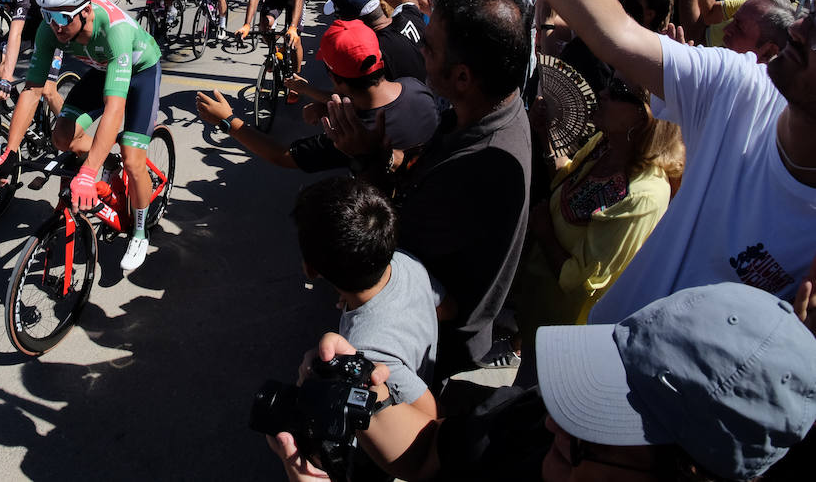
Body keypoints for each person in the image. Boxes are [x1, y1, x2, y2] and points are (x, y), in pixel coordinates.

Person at [461, 0, 816, 325]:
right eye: (811, 18)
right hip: (603, 359)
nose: (802, 30)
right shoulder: (739, 88)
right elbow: (617, 33)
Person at [269, 283, 816, 482]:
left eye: (599, 430)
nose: (557, 417)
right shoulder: (541, 423)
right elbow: (434, 455)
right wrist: (364, 392)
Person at [336, 0, 532, 375]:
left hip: (428, 348)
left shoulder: (480, 165)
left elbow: (387, 248)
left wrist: (364, 162)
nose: (418, 50)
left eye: (428, 47)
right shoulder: (488, 109)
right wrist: (384, 156)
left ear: (462, 77)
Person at [0, 0, 163, 272]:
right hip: (104, 68)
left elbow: (114, 108)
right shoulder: (49, 28)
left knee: (134, 161)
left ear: (87, 10)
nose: (55, 26)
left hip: (141, 72)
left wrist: (87, 172)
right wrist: (10, 152)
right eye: (48, 16)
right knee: (62, 136)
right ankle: (106, 161)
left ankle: (139, 231)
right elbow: (32, 90)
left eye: (64, 17)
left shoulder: (114, 31)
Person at [515, 77, 680, 339]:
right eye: (609, 83)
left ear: (644, 115)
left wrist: (545, 232)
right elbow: (567, 176)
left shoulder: (645, 194)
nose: (602, 93)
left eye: (618, 90)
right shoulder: (607, 144)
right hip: (537, 305)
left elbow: (581, 282)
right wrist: (545, 134)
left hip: (565, 332)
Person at [197, 18, 438, 175]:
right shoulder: (415, 87)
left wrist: (227, 120)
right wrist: (323, 103)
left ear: (335, 79)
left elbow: (282, 156)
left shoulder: (348, 136)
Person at [290, 176, 440, 414]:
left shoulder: (366, 353)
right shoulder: (405, 261)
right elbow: (445, 307)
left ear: (311, 270)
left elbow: (429, 413)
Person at [323, 0, 425, 82]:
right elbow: (410, 1)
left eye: (337, 17)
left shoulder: (370, 53)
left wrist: (307, 89)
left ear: (348, 19)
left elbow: (358, 97)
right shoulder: (411, 16)